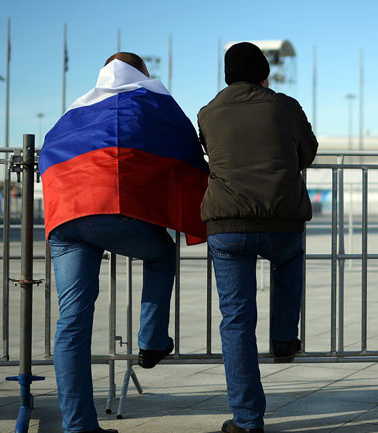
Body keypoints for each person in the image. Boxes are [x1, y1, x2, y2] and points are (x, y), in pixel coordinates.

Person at [39, 52, 208, 433]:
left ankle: (79, 426)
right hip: (112, 210)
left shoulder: (76, 109)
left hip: (65, 217)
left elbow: (49, 155)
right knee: (163, 252)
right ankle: (151, 340)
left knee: (72, 322)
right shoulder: (150, 100)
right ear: (142, 73)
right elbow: (184, 150)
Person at [198, 42, 318, 433]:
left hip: (228, 225)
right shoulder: (285, 106)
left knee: (235, 320)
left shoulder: (208, 113)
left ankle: (247, 421)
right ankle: (284, 338)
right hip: (281, 219)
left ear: (228, 77)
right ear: (265, 75)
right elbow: (309, 152)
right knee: (288, 261)